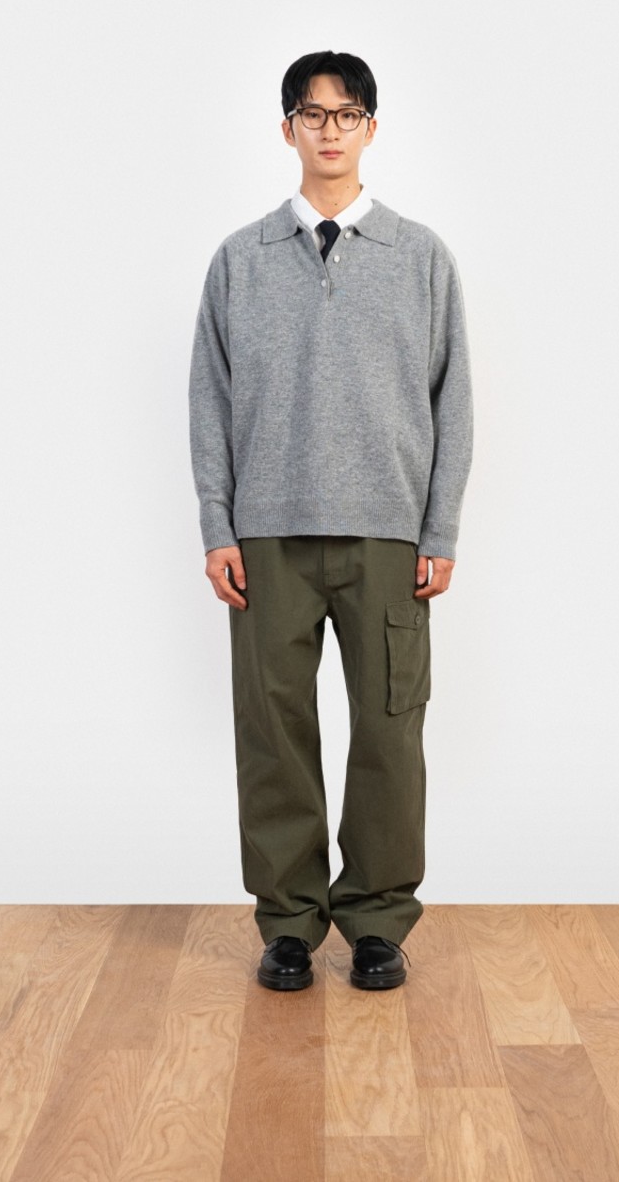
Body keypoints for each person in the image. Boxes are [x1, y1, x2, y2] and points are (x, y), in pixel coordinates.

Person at [188, 50, 473, 991]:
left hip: (389, 535)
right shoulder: (241, 260)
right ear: (288, 129)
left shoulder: (420, 257)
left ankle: (379, 921)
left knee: (389, 732)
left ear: (371, 129)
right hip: (267, 535)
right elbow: (209, 399)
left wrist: (439, 530)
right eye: (312, 114)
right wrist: (217, 524)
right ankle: (289, 923)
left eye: (347, 114)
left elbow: (454, 401)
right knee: (273, 733)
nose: (330, 129)